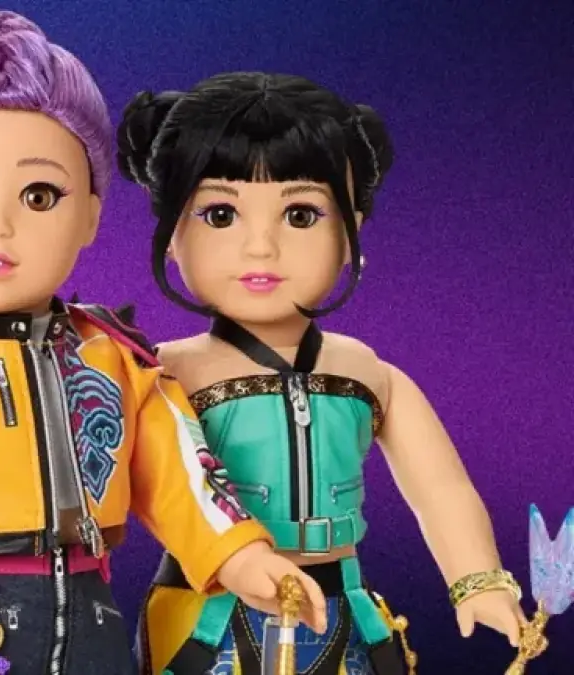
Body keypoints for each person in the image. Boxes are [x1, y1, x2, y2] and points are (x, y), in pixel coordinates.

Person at [0, 9, 327, 675]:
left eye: (40, 195)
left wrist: (242, 554)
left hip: (88, 609)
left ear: (89, 215)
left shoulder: (113, 355)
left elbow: (182, 471)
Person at [116, 72, 527, 674]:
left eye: (302, 214)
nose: (261, 247)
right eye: (221, 214)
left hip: (343, 609)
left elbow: (441, 490)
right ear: (173, 234)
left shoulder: (368, 374)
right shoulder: (161, 372)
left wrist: (478, 580)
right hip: (209, 610)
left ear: (351, 230)